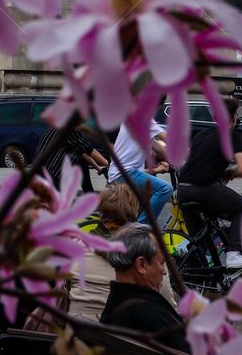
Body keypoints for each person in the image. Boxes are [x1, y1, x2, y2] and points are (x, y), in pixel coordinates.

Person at [60, 184, 177, 324]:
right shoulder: (147, 256)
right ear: (135, 213)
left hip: (76, 332)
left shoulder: (77, 249)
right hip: (122, 337)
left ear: (101, 213)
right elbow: (169, 305)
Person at [176, 95, 242, 269]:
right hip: (203, 188)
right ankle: (233, 253)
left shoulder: (201, 135)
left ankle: (194, 277)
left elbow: (197, 162)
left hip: (182, 189)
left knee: (199, 242)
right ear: (234, 118)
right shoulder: (232, 136)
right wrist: (230, 173)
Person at [100, 223, 190, 353]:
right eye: (161, 263)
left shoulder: (116, 305)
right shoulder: (151, 315)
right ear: (141, 265)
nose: (164, 272)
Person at [107, 119, 171, 224]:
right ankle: (139, 228)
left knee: (133, 213)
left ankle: (130, 232)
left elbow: (157, 148)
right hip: (125, 174)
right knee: (165, 189)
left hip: (122, 174)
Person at [32, 123, 108, 194]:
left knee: (81, 161)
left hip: (40, 169)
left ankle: (90, 196)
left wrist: (98, 168)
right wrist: (108, 164)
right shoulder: (69, 130)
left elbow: (82, 152)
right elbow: (88, 149)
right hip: (49, 172)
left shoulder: (59, 125)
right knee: (54, 200)